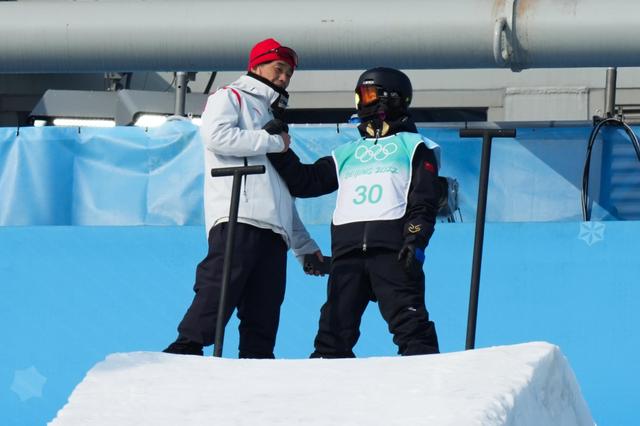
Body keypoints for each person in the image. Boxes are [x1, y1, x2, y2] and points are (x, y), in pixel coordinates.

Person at [164, 38, 324, 358]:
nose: (283, 77)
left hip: (274, 230)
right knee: (220, 286)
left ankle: (257, 362)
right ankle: (187, 347)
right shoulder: (231, 96)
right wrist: (272, 141)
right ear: (256, 66)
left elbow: (281, 193)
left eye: (289, 73)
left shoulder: (273, 117)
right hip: (239, 215)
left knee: (265, 306)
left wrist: (304, 247)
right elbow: (216, 136)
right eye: (278, 69)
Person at [268, 67, 441, 358]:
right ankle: (326, 392)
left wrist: (415, 240)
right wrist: (279, 149)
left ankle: (426, 388)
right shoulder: (347, 152)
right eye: (359, 94)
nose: (361, 101)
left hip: (393, 251)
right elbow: (305, 181)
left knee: (410, 325)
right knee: (332, 333)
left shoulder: (414, 147)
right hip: (347, 255)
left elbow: (424, 201)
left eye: (368, 93)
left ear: (391, 98)